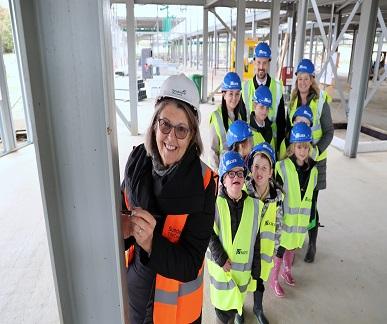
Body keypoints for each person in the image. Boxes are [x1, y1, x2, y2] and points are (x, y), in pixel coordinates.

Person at [121, 74, 216, 324]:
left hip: (175, 312)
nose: (171, 138)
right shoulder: (137, 162)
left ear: (193, 134)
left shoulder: (204, 182)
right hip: (135, 294)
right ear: (154, 124)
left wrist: (152, 242)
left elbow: (191, 262)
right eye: (165, 124)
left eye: (181, 129)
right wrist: (124, 227)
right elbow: (120, 218)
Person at [207, 151, 262, 324]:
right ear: (223, 180)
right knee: (223, 316)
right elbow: (207, 232)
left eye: (239, 173)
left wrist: (256, 265)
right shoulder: (213, 204)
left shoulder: (254, 206)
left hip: (241, 276)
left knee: (236, 307)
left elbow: (256, 238)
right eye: (230, 173)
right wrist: (220, 256)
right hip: (222, 274)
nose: (235, 176)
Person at [287, 58, 334, 263]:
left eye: (306, 78)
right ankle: (295, 240)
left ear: (312, 79)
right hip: (297, 159)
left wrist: (315, 151)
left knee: (311, 203)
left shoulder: (321, 101)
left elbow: (329, 132)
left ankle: (312, 243)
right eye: (300, 78)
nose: (303, 82)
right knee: (295, 201)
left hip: (315, 161)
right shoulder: (293, 101)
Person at [271, 123, 318, 297]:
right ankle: (274, 279)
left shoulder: (313, 170)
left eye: (306, 146)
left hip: (300, 223)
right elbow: (275, 197)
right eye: (299, 146)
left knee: (293, 248)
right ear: (292, 147)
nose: (303, 151)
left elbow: (311, 198)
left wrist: (312, 217)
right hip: (284, 221)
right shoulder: (282, 167)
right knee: (281, 250)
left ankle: (287, 271)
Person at [245, 142, 284, 324]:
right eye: (256, 166)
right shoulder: (243, 192)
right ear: (251, 168)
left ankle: (258, 308)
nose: (259, 171)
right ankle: (239, 310)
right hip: (245, 251)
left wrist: (275, 250)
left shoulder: (277, 199)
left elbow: (278, 226)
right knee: (243, 280)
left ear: (271, 172)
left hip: (264, 253)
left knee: (259, 282)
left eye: (264, 168)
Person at [241, 42, 286, 156]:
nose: (261, 67)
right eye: (258, 62)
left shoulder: (277, 88)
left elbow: (281, 124)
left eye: (264, 63)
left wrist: (279, 152)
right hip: (250, 147)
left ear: (269, 62)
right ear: (254, 62)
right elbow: (241, 119)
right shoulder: (245, 88)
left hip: (271, 145)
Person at [209, 72, 247, 172]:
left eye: (237, 94)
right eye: (231, 94)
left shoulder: (240, 117)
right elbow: (212, 150)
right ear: (224, 94)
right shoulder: (216, 117)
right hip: (223, 173)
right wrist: (217, 174)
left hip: (238, 171)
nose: (234, 98)